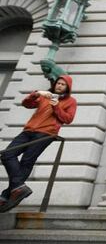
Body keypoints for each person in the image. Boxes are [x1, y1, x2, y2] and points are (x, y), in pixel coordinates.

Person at [0, 75, 77, 213]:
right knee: (7, 154)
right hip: (28, 131)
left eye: (63, 85)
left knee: (27, 161)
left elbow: (68, 119)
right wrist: (35, 94)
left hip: (46, 134)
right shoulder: (44, 96)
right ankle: (17, 188)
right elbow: (26, 104)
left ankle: (6, 195)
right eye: (58, 83)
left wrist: (56, 106)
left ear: (68, 88)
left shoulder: (71, 101)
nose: (59, 86)